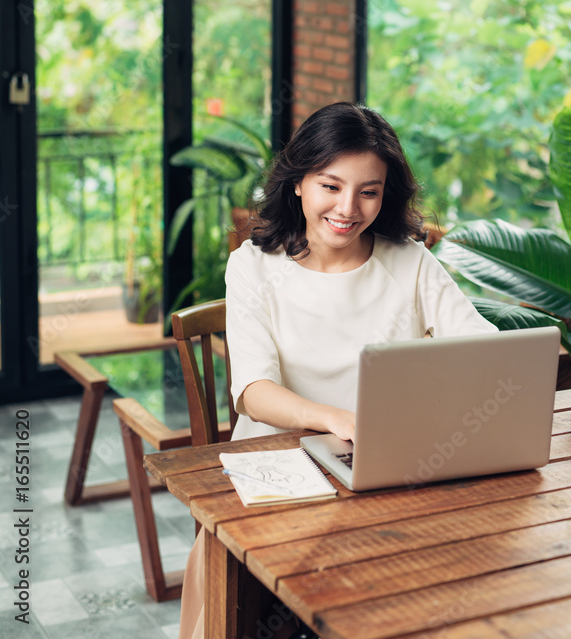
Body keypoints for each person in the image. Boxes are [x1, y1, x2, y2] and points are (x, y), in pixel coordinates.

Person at [179, 102, 496, 639]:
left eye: (368, 192)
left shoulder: (410, 261)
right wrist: (334, 419)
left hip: (385, 465)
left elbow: (482, 352)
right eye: (331, 186)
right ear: (298, 182)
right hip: (279, 469)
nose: (348, 208)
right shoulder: (253, 267)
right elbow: (253, 390)